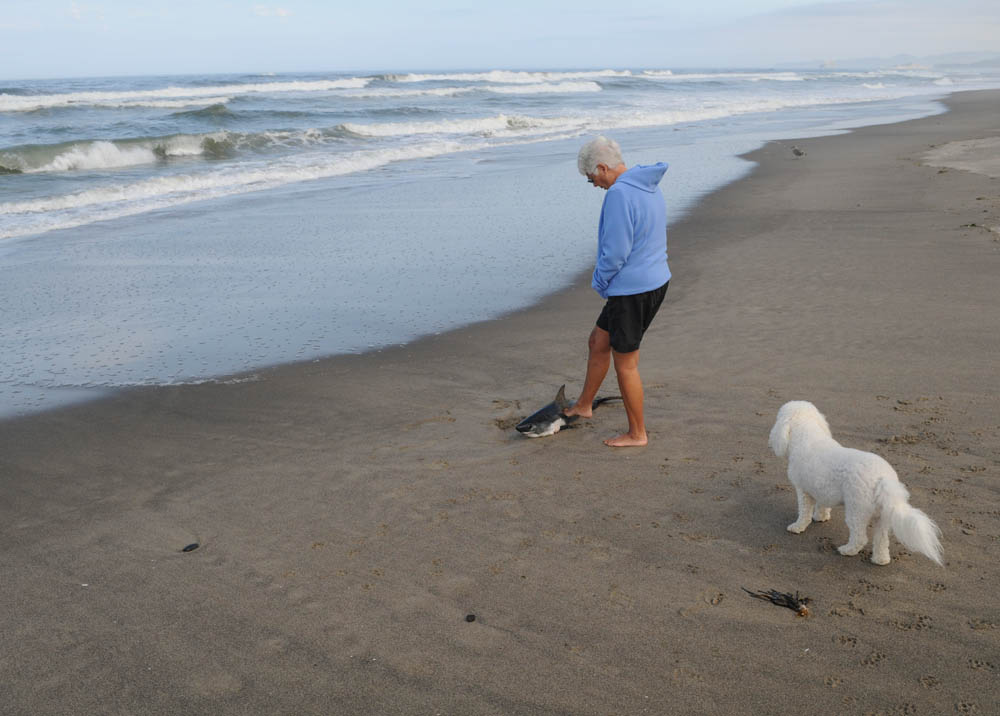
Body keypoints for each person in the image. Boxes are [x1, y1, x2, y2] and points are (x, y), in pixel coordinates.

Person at [562, 136, 671, 447]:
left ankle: (638, 434)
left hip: (633, 290)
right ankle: (584, 406)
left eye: (591, 177)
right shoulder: (646, 183)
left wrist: (599, 281)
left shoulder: (620, 194)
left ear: (601, 167)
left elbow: (615, 253)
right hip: (650, 281)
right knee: (598, 341)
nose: (593, 184)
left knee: (626, 363)